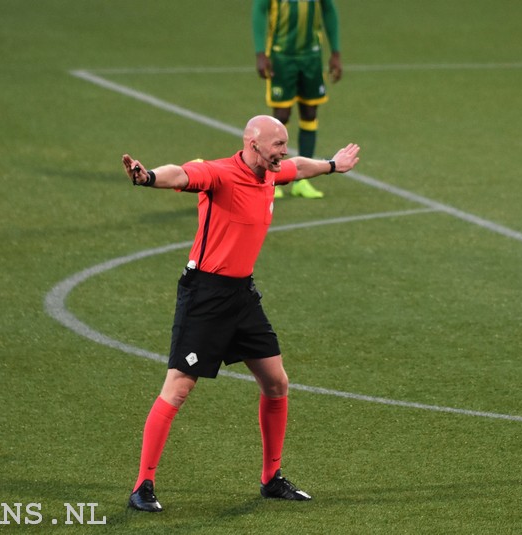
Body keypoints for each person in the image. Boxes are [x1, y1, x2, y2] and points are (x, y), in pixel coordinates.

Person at [121, 115, 360, 513]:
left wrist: (333, 165)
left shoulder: (271, 172)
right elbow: (180, 174)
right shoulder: (218, 173)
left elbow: (299, 166)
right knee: (179, 387)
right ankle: (142, 485)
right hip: (205, 296)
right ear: (252, 144)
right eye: (277, 145)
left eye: (284, 145)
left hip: (242, 296)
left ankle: (271, 479)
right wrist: (147, 178)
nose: (283, 152)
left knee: (276, 382)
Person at [252, 0, 344, 200]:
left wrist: (335, 52)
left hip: (311, 56)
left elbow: (329, 10)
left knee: (310, 112)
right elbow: (259, 10)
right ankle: (272, 177)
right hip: (281, 56)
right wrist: (260, 53)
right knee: (281, 116)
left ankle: (302, 181)